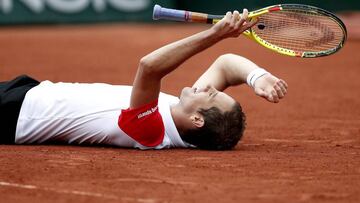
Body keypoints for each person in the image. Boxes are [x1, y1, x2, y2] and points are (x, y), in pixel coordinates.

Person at [0, 9, 287, 150]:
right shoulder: (180, 110)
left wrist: (216, 34)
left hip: (13, 115)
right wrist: (257, 77)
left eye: (211, 94)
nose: (210, 87)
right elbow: (225, 65)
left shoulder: (152, 130)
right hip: (32, 91)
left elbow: (149, 66)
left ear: (198, 119)